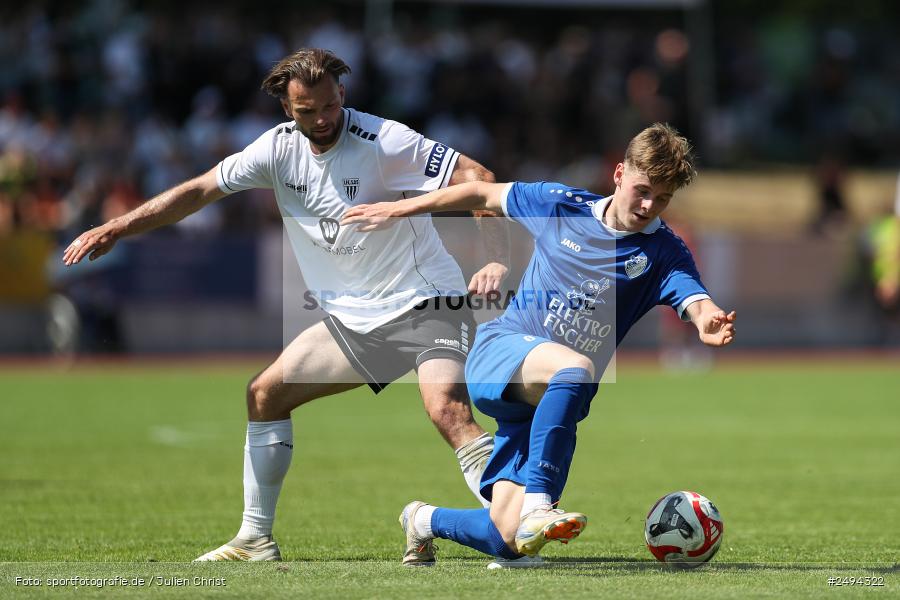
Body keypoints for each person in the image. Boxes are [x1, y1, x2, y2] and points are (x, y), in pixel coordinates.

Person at [62, 48, 510, 562]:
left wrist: (496, 259)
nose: (321, 120)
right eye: (306, 111)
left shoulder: (385, 140)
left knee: (447, 410)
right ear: (285, 108)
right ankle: (255, 539)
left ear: (341, 93)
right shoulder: (275, 150)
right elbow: (198, 191)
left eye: (327, 106)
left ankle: (510, 532)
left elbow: (477, 176)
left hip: (429, 300)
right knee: (264, 395)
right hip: (357, 319)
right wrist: (119, 226)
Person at [342, 123, 736, 565]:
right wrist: (400, 210)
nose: (648, 205)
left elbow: (693, 297)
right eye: (643, 190)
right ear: (620, 173)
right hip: (502, 354)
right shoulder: (560, 204)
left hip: (547, 404)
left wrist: (707, 320)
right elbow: (480, 194)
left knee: (507, 542)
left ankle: (422, 520)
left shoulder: (665, 252)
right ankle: (539, 505)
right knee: (575, 368)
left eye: (662, 198)